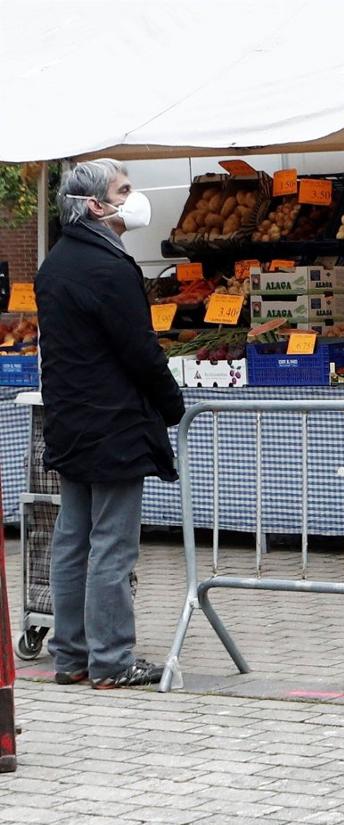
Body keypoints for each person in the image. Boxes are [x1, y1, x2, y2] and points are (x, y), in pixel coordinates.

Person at [36, 159, 184, 690]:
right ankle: (112, 660)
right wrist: (172, 405)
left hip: (70, 420)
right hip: (114, 422)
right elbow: (140, 351)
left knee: (73, 540)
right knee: (112, 546)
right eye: (124, 189)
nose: (134, 196)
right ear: (97, 206)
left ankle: (70, 656)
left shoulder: (56, 263)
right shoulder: (110, 267)